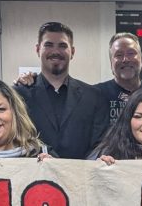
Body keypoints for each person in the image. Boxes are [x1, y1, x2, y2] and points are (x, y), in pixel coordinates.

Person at [16, 21, 109, 159]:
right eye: (48, 45)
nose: (55, 51)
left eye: (62, 46)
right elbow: (17, 139)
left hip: (82, 177)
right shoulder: (19, 94)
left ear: (72, 52)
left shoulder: (94, 97)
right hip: (34, 176)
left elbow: (99, 145)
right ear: (37, 49)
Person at [96, 32, 142, 126]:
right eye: (119, 55)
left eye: (131, 53)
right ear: (111, 63)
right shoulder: (95, 94)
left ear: (141, 60)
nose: (125, 59)